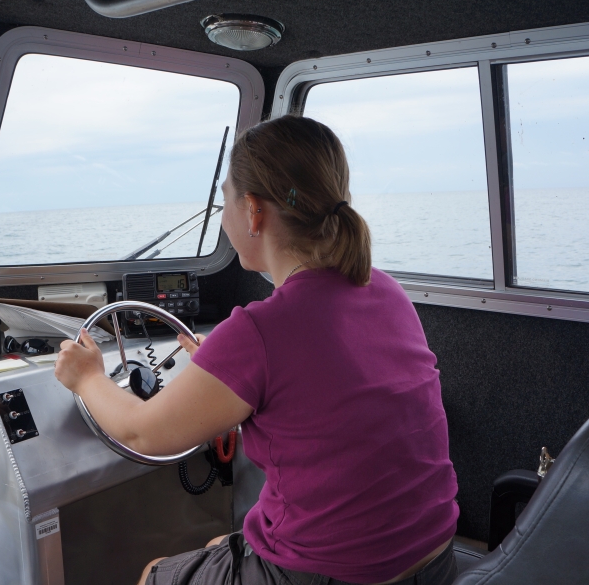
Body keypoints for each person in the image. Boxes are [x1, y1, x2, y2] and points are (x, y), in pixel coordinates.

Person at [55, 115, 459, 585]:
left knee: (154, 574)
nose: (223, 216)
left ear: (253, 210)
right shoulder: (386, 291)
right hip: (433, 556)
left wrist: (87, 378)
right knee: (214, 546)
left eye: (224, 200)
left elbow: (143, 434)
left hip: (334, 574)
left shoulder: (259, 330)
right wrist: (222, 368)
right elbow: (320, 390)